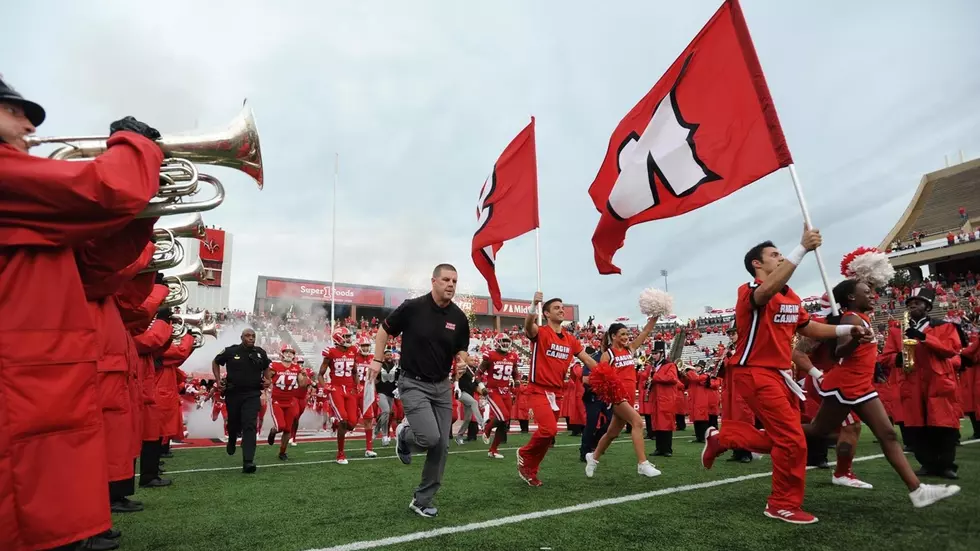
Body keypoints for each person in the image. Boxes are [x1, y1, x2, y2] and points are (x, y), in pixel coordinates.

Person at [1, 76, 164, 551]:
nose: (29, 122)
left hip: (41, 369)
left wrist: (141, 217)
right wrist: (134, 146)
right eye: (15, 111)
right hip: (24, 372)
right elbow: (105, 187)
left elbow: (94, 274)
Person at [701, 228, 871, 525]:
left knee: (790, 438)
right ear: (757, 264)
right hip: (753, 370)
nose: (780, 257)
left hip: (780, 374)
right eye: (774, 255)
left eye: (782, 253)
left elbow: (808, 327)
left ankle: (723, 438)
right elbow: (764, 293)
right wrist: (800, 250)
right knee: (792, 440)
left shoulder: (790, 295)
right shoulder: (749, 291)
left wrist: (847, 329)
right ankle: (781, 503)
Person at [801, 279, 960, 507]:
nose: (873, 295)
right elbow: (840, 351)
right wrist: (855, 340)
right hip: (846, 385)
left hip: (862, 386)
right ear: (852, 298)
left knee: (888, 435)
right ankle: (770, 434)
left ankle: (918, 491)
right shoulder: (851, 319)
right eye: (867, 292)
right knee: (818, 430)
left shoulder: (862, 318)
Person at [368, 264, 470, 518]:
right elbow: (384, 330)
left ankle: (422, 499)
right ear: (433, 281)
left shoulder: (458, 317)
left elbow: (461, 348)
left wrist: (462, 360)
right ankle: (405, 435)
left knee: (442, 446)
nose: (451, 285)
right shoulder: (413, 307)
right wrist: (377, 360)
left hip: (441, 386)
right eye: (446, 279)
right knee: (429, 438)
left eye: (455, 281)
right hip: (412, 382)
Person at [517, 292, 598, 487]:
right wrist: (532, 306)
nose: (561, 310)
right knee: (548, 429)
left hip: (557, 392)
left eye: (562, 307)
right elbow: (528, 327)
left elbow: (587, 359)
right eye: (556, 308)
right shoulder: (541, 332)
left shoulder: (570, 339)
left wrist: (607, 372)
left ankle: (531, 470)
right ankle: (524, 453)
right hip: (538, 389)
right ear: (545, 313)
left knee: (548, 436)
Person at [894, 288, 964, 479]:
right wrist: (897, 358)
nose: (912, 305)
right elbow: (886, 357)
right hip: (912, 382)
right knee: (917, 426)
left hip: (937, 380)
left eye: (917, 302)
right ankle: (927, 464)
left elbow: (951, 350)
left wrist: (923, 337)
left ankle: (947, 465)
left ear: (927, 306)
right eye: (909, 304)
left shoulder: (944, 326)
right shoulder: (898, 330)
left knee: (943, 425)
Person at [585, 318, 661, 478]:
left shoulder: (630, 349)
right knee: (638, 422)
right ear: (613, 336)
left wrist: (655, 316)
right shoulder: (607, 355)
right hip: (618, 397)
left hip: (629, 396)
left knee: (612, 433)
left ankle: (593, 457)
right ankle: (642, 463)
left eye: (627, 334)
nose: (626, 337)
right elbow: (601, 378)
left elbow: (645, 332)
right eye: (622, 334)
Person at [212, 328, 272, 473]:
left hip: (252, 394)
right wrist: (218, 380)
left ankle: (248, 461)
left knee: (250, 425)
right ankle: (232, 438)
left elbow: (267, 367)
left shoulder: (260, 352)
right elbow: (216, 362)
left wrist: (268, 379)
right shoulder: (231, 351)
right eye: (247, 336)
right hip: (233, 393)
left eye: (253, 336)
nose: (251, 338)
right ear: (241, 337)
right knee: (233, 424)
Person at [319, 326, 359, 464]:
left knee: (352, 424)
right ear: (338, 338)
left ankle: (336, 422)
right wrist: (325, 386)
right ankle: (340, 454)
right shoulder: (330, 352)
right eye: (346, 336)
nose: (349, 339)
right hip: (336, 389)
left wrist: (357, 385)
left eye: (349, 336)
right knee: (344, 420)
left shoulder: (353, 350)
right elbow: (320, 374)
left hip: (349, 389)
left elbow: (354, 372)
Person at [478, 333, 520, 458]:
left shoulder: (513, 356)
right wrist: (482, 387)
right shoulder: (490, 355)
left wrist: (517, 380)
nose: (506, 344)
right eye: (503, 341)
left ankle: (493, 450)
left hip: (506, 391)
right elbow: (478, 374)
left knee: (504, 422)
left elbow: (515, 372)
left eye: (507, 341)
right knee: (503, 416)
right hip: (493, 390)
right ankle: (487, 428)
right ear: (497, 342)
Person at [267, 344, 306, 460]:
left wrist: (304, 376)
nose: (289, 354)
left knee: (288, 429)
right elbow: (266, 379)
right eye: (286, 351)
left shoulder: (297, 368)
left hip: (290, 401)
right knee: (280, 426)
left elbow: (302, 385)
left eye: (291, 352)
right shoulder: (274, 366)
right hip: (277, 401)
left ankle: (282, 452)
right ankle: (273, 431)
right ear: (282, 354)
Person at [645, 342, 680, 457]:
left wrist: (655, 377)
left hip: (666, 398)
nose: (653, 356)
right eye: (653, 353)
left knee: (666, 424)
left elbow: (672, 378)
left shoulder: (669, 365)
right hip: (657, 398)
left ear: (661, 354)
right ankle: (659, 448)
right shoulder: (654, 366)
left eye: (655, 353)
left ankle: (667, 449)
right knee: (657, 424)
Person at [354, 336, 379, 458]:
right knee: (351, 420)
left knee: (369, 419)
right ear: (359, 346)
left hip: (367, 391)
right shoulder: (354, 357)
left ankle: (369, 449)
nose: (365, 347)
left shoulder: (372, 359)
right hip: (354, 390)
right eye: (363, 345)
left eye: (367, 345)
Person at [454, 355, 486, 445]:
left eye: (475, 360)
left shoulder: (475, 371)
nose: (474, 361)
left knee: (467, 418)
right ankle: (482, 423)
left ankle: (459, 436)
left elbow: (475, 386)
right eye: (471, 360)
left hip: (469, 394)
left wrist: (484, 393)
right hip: (461, 392)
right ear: (467, 361)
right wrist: (456, 386)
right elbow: (456, 376)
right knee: (474, 402)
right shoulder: (464, 367)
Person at [374, 348, 400, 445]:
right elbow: (375, 379)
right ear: (383, 356)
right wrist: (374, 391)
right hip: (381, 392)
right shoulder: (380, 365)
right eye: (387, 355)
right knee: (386, 411)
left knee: (387, 414)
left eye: (390, 355)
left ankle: (377, 428)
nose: (389, 356)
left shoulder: (395, 366)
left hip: (391, 393)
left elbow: (398, 379)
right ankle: (384, 436)